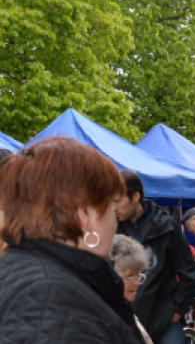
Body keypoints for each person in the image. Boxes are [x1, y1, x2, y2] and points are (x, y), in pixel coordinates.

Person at [0, 137, 145, 344]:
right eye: (110, 207)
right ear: (86, 215)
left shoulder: (28, 272)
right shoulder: (52, 296)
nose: (114, 222)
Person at [114, 170, 195, 344]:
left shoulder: (167, 226)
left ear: (135, 196)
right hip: (126, 322)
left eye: (118, 201)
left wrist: (175, 312)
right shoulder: (111, 229)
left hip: (167, 323)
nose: (113, 207)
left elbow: (189, 273)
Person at [112, 235, 154, 344]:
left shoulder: (126, 309)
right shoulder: (108, 316)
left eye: (139, 275)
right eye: (130, 275)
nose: (137, 282)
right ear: (111, 275)